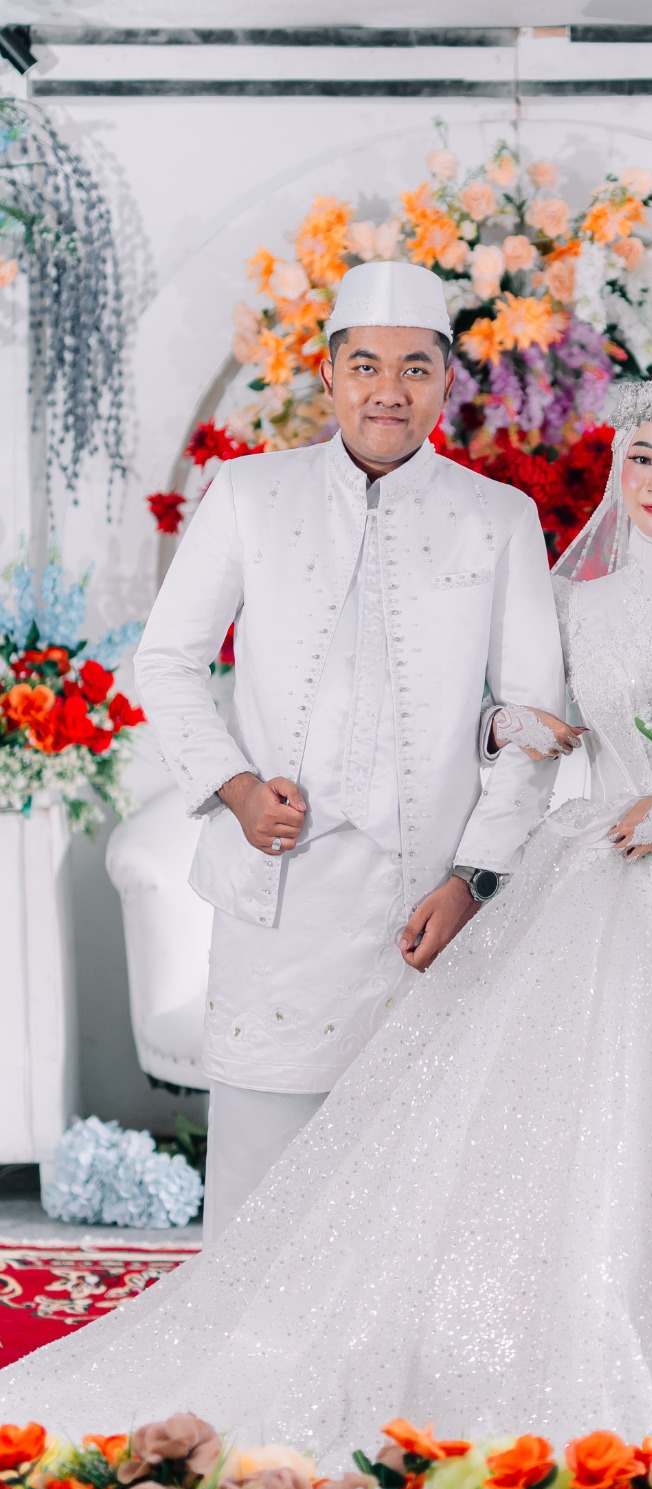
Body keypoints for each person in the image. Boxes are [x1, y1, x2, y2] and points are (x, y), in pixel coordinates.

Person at [4, 369, 652, 1466]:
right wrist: (504, 725)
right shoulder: (580, 604)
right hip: (593, 873)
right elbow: (531, 718)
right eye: (641, 458)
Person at [132, 258, 565, 1238]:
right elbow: (166, 662)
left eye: (415, 367)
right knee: (259, 1195)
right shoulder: (249, 494)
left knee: (416, 1199)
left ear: (446, 381)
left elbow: (534, 721)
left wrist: (474, 880)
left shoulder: (498, 518)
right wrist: (235, 787)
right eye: (366, 364)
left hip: (427, 909)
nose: (388, 390)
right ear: (327, 374)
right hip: (278, 894)